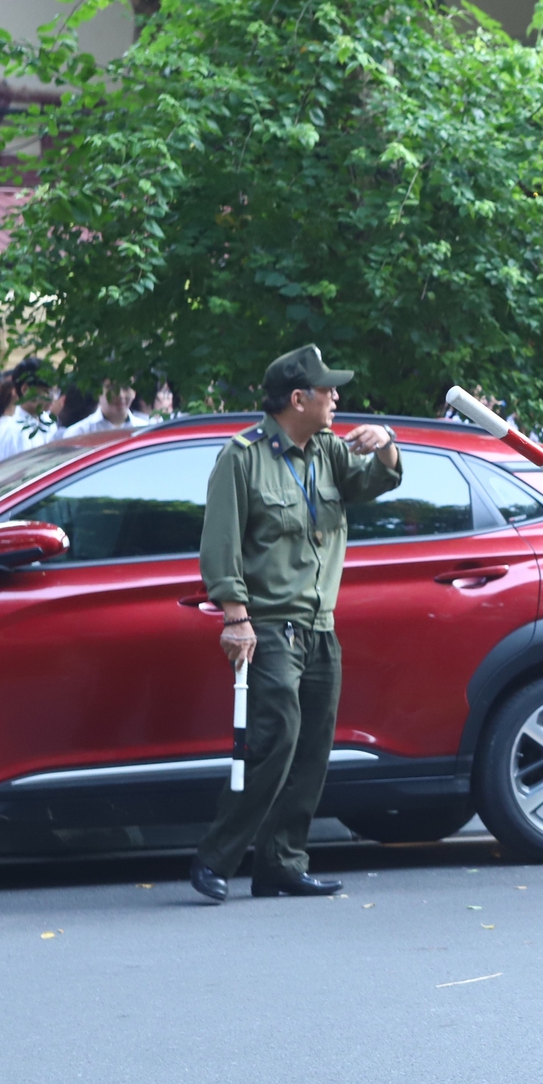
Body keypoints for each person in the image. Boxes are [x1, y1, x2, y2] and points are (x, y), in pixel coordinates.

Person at [188, 346, 403, 902]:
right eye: (326, 389)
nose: (337, 397)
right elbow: (221, 544)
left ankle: (282, 862)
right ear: (297, 398)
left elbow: (374, 484)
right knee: (274, 740)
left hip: (320, 626)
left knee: (311, 748)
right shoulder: (243, 456)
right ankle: (216, 858)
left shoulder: (328, 451)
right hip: (272, 626)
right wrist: (235, 616)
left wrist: (386, 445)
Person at [0, 359, 55, 463]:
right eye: (46, 392)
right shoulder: (12, 431)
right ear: (25, 390)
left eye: (54, 391)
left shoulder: (48, 422)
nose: (52, 398)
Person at [62, 380, 151, 437]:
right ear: (98, 392)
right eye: (112, 388)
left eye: (126, 387)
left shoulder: (145, 430)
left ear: (134, 392)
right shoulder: (78, 433)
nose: (120, 395)